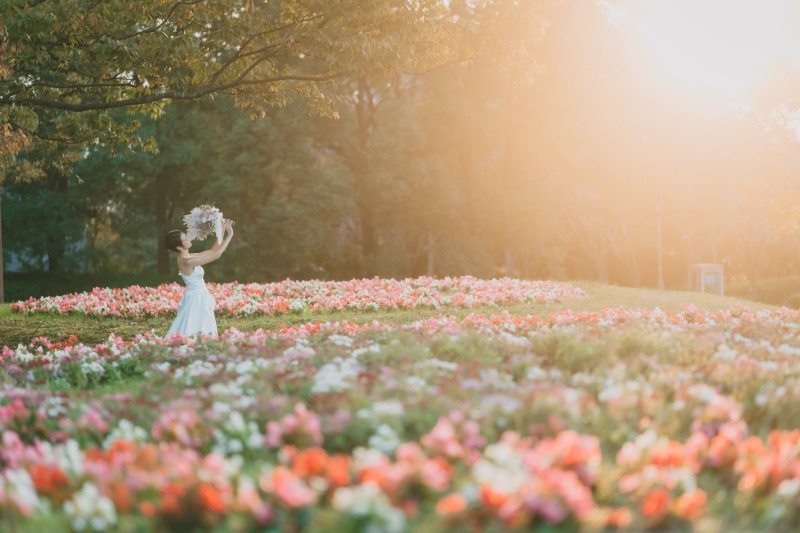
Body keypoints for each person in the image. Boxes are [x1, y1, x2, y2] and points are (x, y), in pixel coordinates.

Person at [163, 219, 234, 338]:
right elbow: (216, 255)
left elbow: (212, 250)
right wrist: (230, 234)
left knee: (199, 327)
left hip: (198, 295)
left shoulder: (189, 256)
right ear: (179, 247)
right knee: (195, 328)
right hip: (196, 298)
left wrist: (221, 230)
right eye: (185, 239)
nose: (188, 239)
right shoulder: (187, 261)